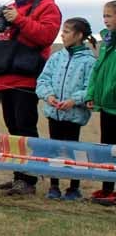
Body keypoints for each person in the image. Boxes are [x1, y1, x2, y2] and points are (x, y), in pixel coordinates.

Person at [0, 0, 61, 195]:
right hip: (5, 76)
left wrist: (19, 20)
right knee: (13, 129)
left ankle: (29, 179)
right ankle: (18, 175)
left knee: (26, 128)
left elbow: (45, 36)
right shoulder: (11, 7)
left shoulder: (48, 7)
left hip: (26, 77)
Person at [36, 18, 97, 200]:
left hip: (74, 115)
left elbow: (90, 88)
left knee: (73, 150)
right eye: (62, 31)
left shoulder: (89, 62)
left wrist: (74, 100)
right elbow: (43, 80)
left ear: (79, 36)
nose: (62, 35)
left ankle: (73, 188)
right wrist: (49, 96)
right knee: (54, 149)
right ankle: (54, 187)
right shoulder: (56, 57)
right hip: (54, 113)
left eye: (67, 32)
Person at [86, 1, 116, 205]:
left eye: (110, 16)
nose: (105, 19)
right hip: (106, 104)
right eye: (104, 15)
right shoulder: (106, 42)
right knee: (107, 147)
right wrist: (91, 93)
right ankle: (107, 188)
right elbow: (97, 69)